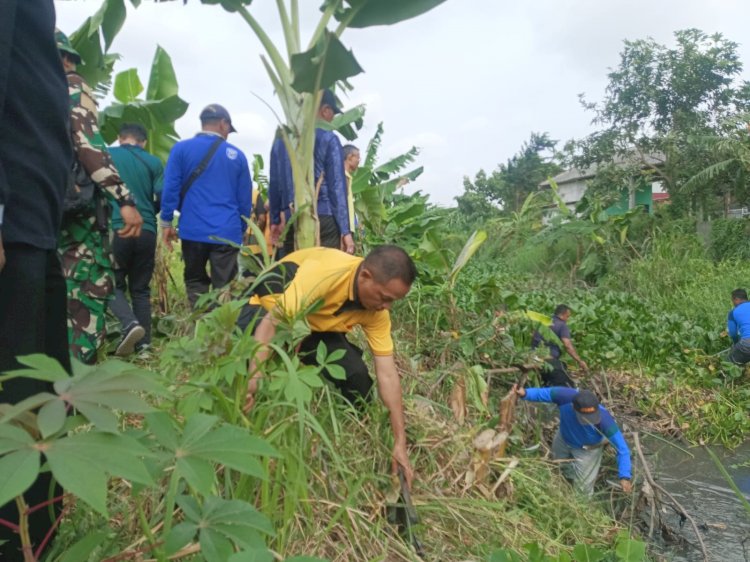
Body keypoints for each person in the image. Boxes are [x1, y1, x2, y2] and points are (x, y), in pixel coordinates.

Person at [241, 245, 416, 487]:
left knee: (357, 376)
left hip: (314, 325)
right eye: (385, 298)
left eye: (393, 301)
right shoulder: (326, 273)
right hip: (267, 307)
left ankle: (355, 430)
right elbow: (271, 325)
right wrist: (253, 378)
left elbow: (387, 374)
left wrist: (400, 442)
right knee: (245, 368)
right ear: (365, 276)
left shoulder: (377, 312)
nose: (387, 307)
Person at [0, 2, 73, 553]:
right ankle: (16, 538)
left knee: (43, 391)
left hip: (34, 222)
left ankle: (35, 537)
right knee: (19, 397)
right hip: (16, 219)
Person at [58, 30, 144, 364]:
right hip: (73, 208)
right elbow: (88, 146)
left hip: (30, 206)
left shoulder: (21, 86)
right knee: (88, 284)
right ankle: (76, 379)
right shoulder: (71, 87)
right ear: (66, 59)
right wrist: (124, 199)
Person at [160, 104, 252, 307]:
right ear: (223, 124)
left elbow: (171, 188)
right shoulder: (237, 156)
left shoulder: (180, 150)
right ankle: (222, 334)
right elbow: (244, 202)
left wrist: (166, 222)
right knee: (225, 288)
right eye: (229, 129)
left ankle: (199, 326)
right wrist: (241, 229)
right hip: (226, 232)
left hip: (193, 230)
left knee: (195, 282)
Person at [268, 90, 354, 256]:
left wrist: (275, 220)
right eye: (332, 114)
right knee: (323, 275)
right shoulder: (329, 138)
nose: (332, 119)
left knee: (293, 275)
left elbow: (275, 184)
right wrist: (345, 230)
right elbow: (337, 187)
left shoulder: (281, 140)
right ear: (325, 110)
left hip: (291, 217)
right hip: (323, 218)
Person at [514, 386, 632, 497]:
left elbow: (622, 449)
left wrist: (625, 476)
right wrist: (526, 393)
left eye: (592, 416)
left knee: (583, 490)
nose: (589, 421)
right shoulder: (564, 396)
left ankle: (582, 508)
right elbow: (543, 393)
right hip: (563, 438)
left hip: (588, 450)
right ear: (573, 407)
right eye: (585, 417)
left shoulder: (605, 420)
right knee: (558, 464)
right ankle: (567, 483)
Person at [108, 123, 164, 356]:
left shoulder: (107, 156)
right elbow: (161, 196)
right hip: (147, 229)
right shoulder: (153, 162)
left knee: (111, 283)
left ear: (120, 138)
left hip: (117, 227)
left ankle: (129, 324)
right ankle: (144, 347)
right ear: (144, 141)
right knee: (140, 289)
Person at [531, 304, 588, 387]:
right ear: (563, 315)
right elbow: (567, 345)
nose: (567, 320)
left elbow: (533, 337)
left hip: (533, 357)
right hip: (548, 361)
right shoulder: (562, 325)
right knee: (567, 384)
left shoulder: (544, 322)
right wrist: (579, 361)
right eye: (567, 317)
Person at [727, 288, 750, 365]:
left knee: (728, 363)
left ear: (736, 299)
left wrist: (736, 344)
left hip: (747, 344)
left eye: (732, 300)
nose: (733, 303)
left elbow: (733, 333)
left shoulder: (733, 313)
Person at [343, 144, 360, 237]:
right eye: (357, 157)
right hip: (345, 229)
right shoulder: (343, 176)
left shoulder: (347, 177)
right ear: (349, 157)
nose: (358, 161)